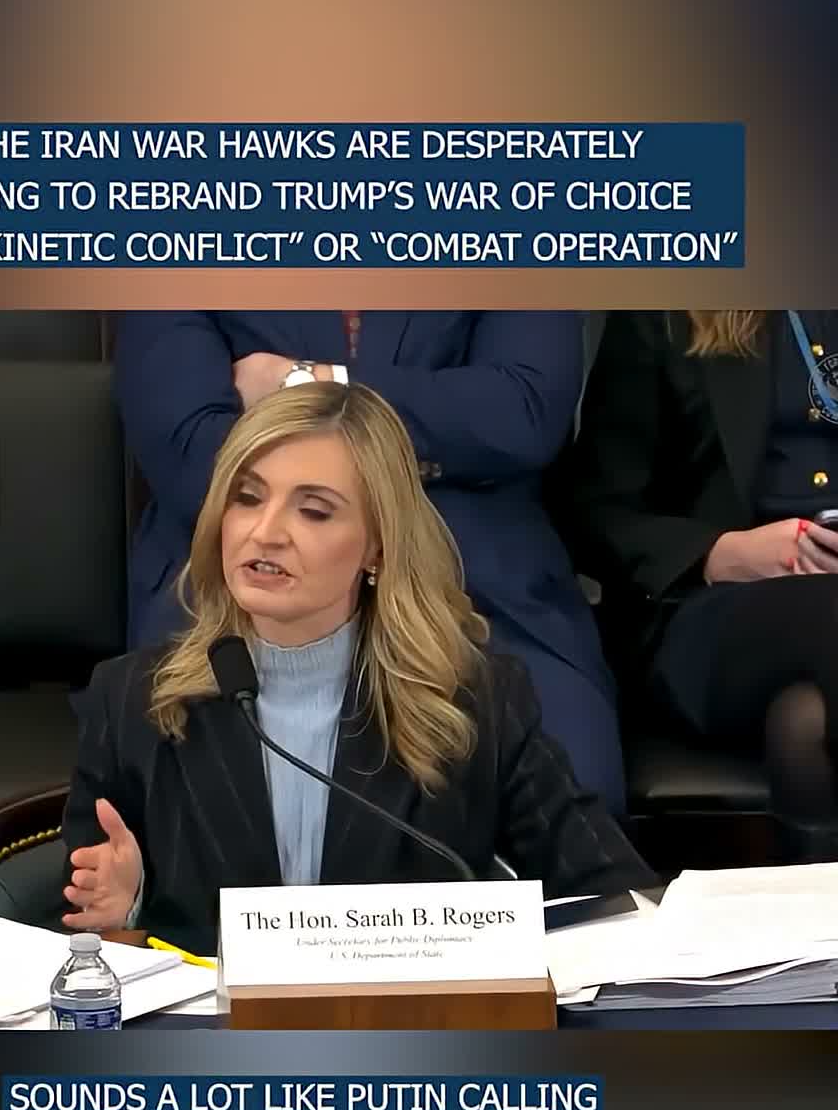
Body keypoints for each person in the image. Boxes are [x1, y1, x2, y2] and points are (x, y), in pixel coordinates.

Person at [65, 382, 652, 954]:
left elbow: (613, 897)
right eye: (247, 498)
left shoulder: (475, 701)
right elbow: (78, 949)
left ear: (377, 546)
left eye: (314, 511)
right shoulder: (131, 702)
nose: (266, 533)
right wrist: (124, 911)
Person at [114, 310, 626, 810]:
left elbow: (522, 411)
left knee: (571, 786)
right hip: (237, 591)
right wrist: (429, 446)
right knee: (196, 797)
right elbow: (193, 448)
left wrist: (306, 382)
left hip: (479, 585)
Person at [567, 309, 838, 862]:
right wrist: (721, 553)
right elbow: (591, 507)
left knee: (804, 721)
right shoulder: (668, 313)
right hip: (713, 607)